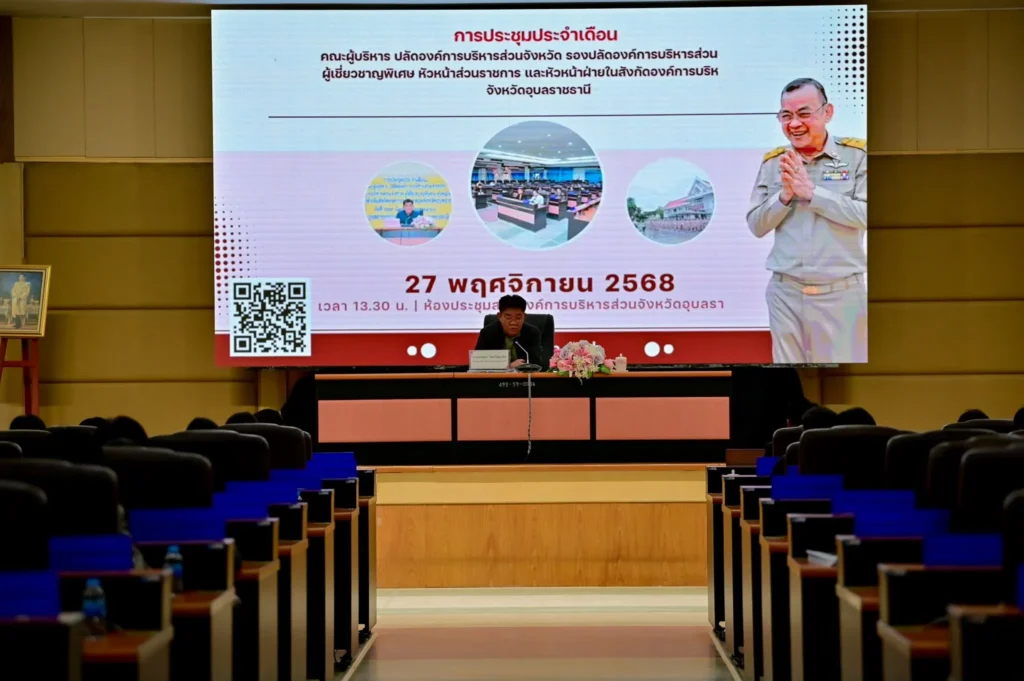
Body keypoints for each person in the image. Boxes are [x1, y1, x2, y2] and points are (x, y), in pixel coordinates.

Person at [747, 78, 867, 364]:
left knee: (844, 379)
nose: (794, 124)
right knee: (789, 380)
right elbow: (756, 225)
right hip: (785, 293)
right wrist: (784, 197)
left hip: (842, 294)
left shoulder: (856, 156)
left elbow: (867, 215)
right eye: (786, 116)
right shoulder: (774, 162)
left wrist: (813, 194)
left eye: (804, 113)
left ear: (827, 113)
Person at [474, 294, 544, 369]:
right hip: (495, 376)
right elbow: (478, 364)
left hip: (524, 375)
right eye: (508, 317)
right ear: (499, 316)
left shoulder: (532, 333)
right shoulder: (487, 333)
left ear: (524, 316)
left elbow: (536, 363)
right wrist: (509, 367)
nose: (513, 322)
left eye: (518, 317)